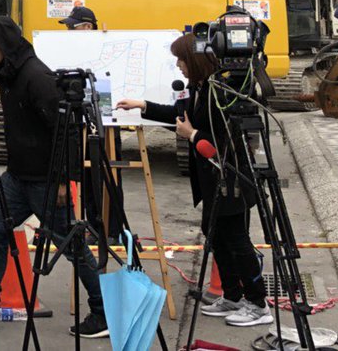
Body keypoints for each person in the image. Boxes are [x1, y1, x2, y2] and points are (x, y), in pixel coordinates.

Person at [0, 16, 108, 338]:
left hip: (45, 180)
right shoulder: (9, 74)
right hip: (18, 177)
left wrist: (62, 181)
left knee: (71, 246)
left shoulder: (35, 76)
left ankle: (103, 311)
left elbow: (68, 129)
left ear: (5, 43)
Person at [116, 33, 272, 328]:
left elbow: (219, 141)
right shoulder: (199, 87)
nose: (178, 65)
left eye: (182, 59)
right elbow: (181, 117)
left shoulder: (220, 91)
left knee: (238, 241)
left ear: (196, 60)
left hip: (231, 177)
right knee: (217, 238)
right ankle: (233, 296)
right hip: (211, 181)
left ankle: (258, 304)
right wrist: (142, 105)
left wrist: (193, 135)